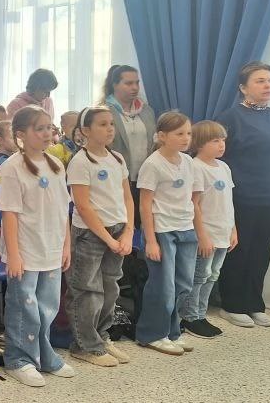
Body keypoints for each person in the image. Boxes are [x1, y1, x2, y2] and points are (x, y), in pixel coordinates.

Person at [0, 105, 75, 387]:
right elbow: (9, 214)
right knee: (23, 306)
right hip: (25, 250)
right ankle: (19, 359)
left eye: (49, 127)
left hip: (51, 246)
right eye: (39, 129)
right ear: (20, 134)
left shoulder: (56, 165)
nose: (46, 133)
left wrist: (66, 245)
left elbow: (64, 209)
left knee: (47, 306)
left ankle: (44, 353)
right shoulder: (12, 167)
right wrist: (14, 255)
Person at [216, 61, 270, 329]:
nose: (268, 85)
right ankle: (232, 304)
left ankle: (254, 303)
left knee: (261, 251)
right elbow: (216, 159)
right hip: (241, 196)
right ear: (243, 88)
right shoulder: (230, 118)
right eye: (260, 80)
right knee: (239, 250)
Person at [65, 107, 135, 367]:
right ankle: (85, 345)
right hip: (91, 234)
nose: (110, 129)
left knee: (110, 288)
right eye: (102, 124)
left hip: (117, 230)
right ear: (85, 131)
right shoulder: (80, 162)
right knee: (87, 290)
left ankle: (102, 337)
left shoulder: (117, 158)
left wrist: (128, 231)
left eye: (111, 124)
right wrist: (108, 239)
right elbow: (83, 206)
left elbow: (127, 197)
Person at [135, 111, 201, 356]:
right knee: (163, 286)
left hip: (186, 227)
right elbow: (145, 205)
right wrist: (150, 240)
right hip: (162, 230)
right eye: (179, 133)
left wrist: (198, 230)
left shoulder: (188, 162)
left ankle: (172, 331)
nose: (186, 138)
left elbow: (192, 199)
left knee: (183, 283)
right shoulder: (152, 164)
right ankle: (152, 333)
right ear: (162, 136)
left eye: (188, 133)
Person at [180, 121, 236, 339]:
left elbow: (228, 202)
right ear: (199, 143)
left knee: (213, 274)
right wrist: (202, 235)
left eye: (223, 140)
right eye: (215, 141)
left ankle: (201, 314)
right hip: (206, 234)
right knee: (199, 276)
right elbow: (193, 204)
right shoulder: (195, 167)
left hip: (223, 232)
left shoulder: (224, 167)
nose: (221, 145)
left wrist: (233, 229)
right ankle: (190, 316)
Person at [101, 65, 156, 226]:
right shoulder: (104, 111)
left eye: (137, 83)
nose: (135, 87)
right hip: (117, 178)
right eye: (128, 83)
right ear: (115, 84)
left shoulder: (147, 111)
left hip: (145, 178)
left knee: (143, 223)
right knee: (122, 223)